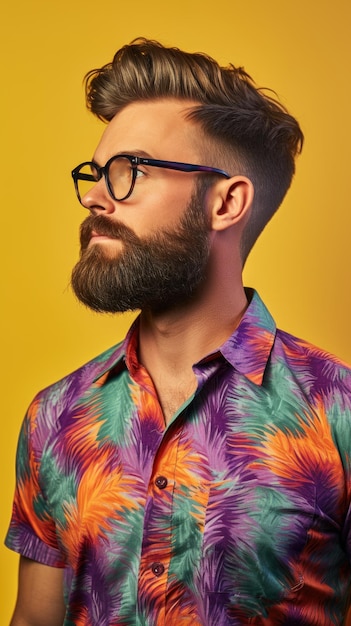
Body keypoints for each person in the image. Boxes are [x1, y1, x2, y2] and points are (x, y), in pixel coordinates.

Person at [5, 37, 351, 626]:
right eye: (96, 173)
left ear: (226, 204)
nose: (93, 197)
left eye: (129, 172)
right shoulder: (55, 417)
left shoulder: (338, 413)